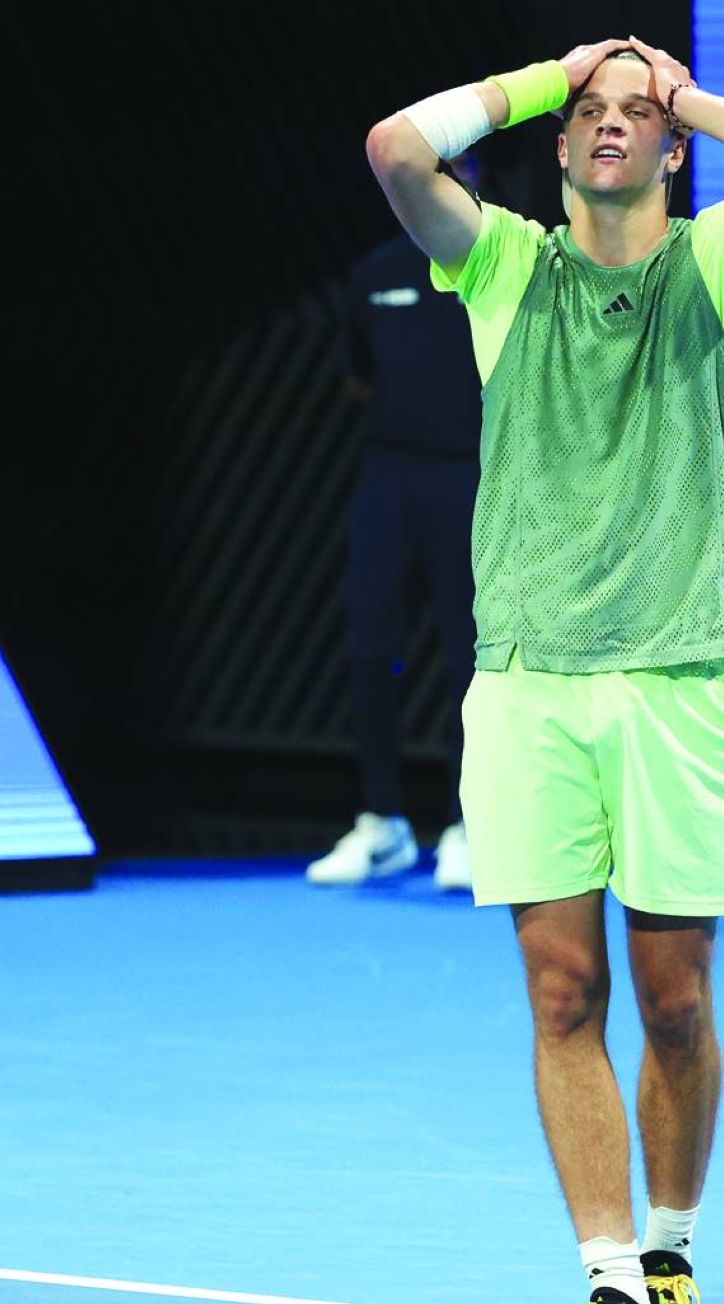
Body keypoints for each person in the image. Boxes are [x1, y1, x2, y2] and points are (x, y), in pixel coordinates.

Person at [365, 37, 724, 1304]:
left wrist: (675, 90)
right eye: (595, 115)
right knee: (563, 992)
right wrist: (546, 78)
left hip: (676, 693)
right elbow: (396, 148)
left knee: (674, 1003)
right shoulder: (501, 266)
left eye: (642, 117)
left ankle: (671, 1274)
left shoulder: (722, 269)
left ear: (674, 148)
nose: (613, 126)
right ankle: (611, 1295)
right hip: (527, 692)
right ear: (563, 145)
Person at [306, 152, 489, 893]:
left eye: (459, 177)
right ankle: (382, 822)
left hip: (474, 478)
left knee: (470, 661)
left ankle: (468, 823)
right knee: (368, 648)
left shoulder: (495, 272)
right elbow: (360, 377)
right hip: (389, 479)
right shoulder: (373, 276)